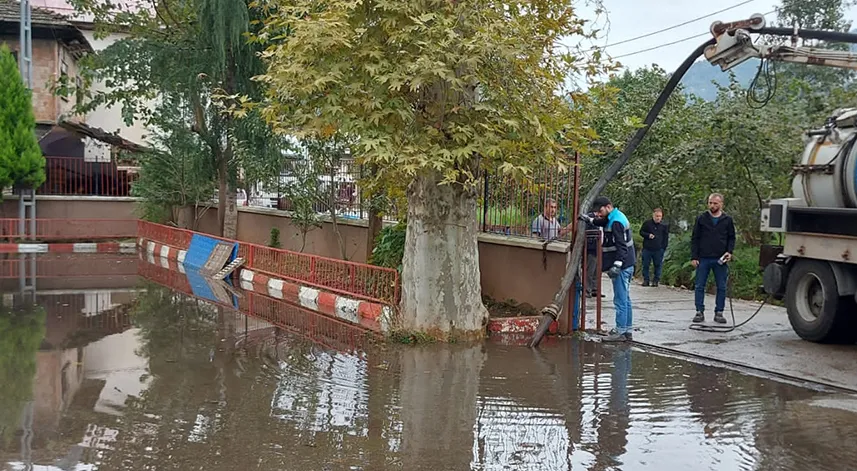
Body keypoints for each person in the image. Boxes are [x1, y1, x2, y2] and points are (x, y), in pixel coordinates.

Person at [583, 196, 636, 342]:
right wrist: (590, 220)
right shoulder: (614, 216)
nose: (598, 214)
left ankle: (620, 331)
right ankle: (627, 330)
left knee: (620, 299)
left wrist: (617, 265)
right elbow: (602, 221)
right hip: (628, 264)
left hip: (622, 266)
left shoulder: (617, 222)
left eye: (600, 211)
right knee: (625, 299)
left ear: (608, 206)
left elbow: (621, 246)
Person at [691, 193, 736, 324]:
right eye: (710, 203)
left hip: (720, 258)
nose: (712, 205)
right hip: (703, 257)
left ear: (721, 204)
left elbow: (731, 237)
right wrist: (694, 256)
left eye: (715, 203)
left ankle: (719, 312)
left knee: (721, 286)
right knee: (700, 285)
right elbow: (695, 238)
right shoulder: (701, 218)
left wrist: (729, 252)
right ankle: (699, 311)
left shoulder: (727, 220)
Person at [639, 208, 669, 287]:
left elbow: (666, 237)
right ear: (653, 215)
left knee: (658, 265)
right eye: (656, 216)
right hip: (647, 248)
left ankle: (656, 280)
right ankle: (646, 280)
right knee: (646, 265)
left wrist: (663, 248)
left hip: (658, 249)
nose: (658, 218)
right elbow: (641, 232)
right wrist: (648, 235)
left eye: (660, 216)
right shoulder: (647, 223)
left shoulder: (664, 225)